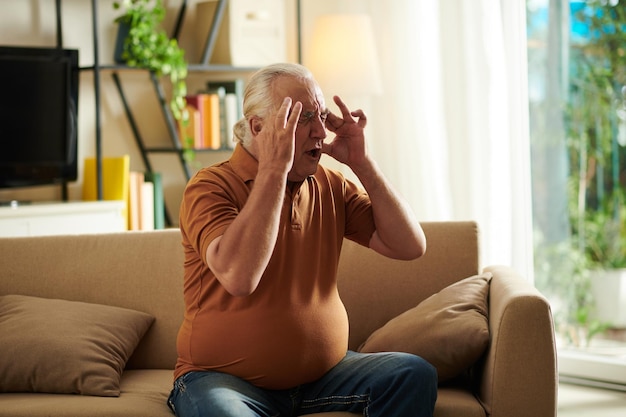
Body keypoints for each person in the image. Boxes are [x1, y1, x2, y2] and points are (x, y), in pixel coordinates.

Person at [168, 63, 437, 417]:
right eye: (301, 118)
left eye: (320, 115)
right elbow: (239, 276)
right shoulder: (210, 187)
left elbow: (409, 245)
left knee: (412, 374)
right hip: (220, 380)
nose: (320, 132)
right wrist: (273, 169)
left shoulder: (329, 184)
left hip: (324, 377)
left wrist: (362, 162)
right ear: (258, 127)